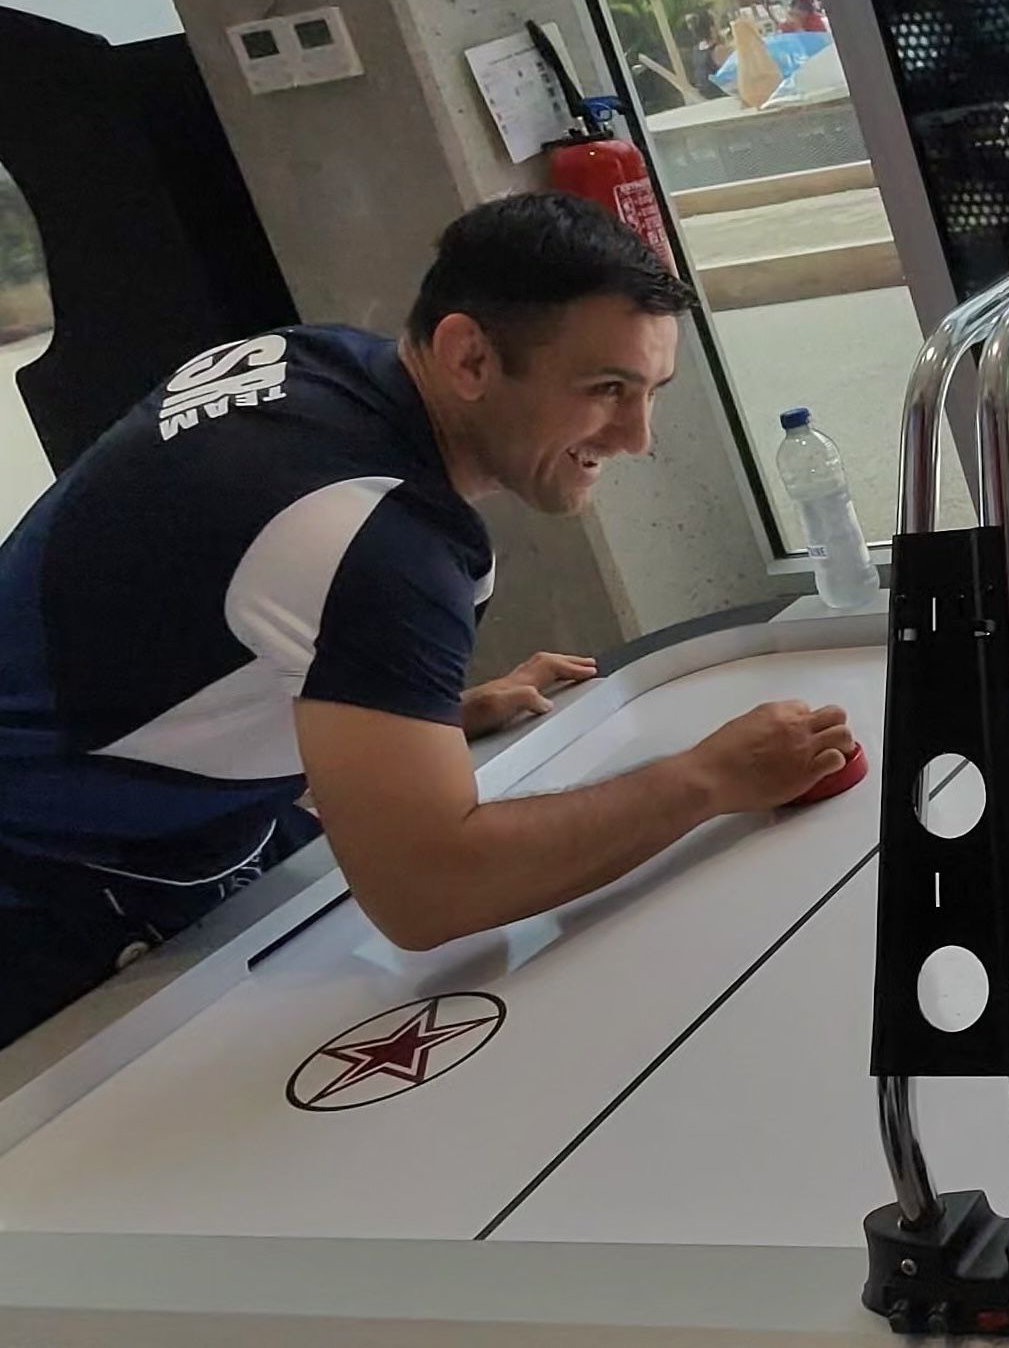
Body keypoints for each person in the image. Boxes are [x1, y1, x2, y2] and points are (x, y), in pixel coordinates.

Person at [0, 195, 857, 1048]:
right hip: (53, 886)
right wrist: (714, 776)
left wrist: (401, 715)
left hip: (137, 811)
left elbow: (180, 624)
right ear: (469, 356)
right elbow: (430, 891)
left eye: (650, 392)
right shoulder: (377, 541)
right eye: (606, 389)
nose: (637, 437)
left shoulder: (314, 363)